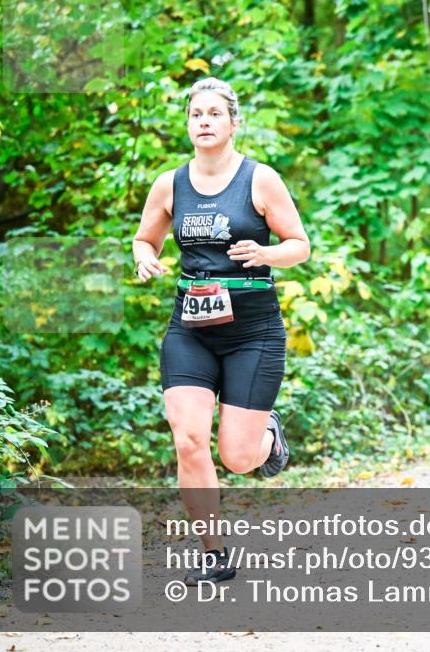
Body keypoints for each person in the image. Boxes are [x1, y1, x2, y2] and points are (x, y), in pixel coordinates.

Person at [131, 78, 311, 585]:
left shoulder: (260, 180)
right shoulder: (171, 184)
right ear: (188, 123)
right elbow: (145, 239)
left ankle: (267, 435)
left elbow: (300, 244)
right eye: (195, 114)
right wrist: (146, 260)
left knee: (235, 457)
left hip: (252, 330)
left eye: (214, 113)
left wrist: (267, 253)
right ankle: (214, 554)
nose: (204, 121)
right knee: (189, 439)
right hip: (190, 327)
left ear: (234, 123)